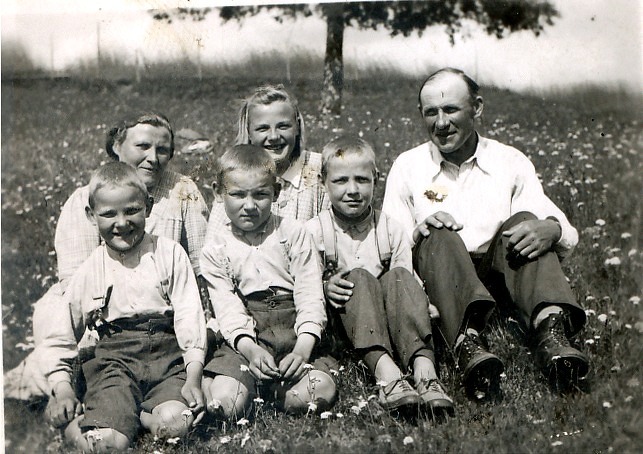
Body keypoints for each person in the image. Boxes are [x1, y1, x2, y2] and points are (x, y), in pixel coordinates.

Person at [382, 68, 589, 399]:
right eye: (431, 112)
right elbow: (390, 246)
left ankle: (552, 334)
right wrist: (419, 232)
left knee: (525, 220)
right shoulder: (408, 166)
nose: (441, 123)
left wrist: (550, 228)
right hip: (441, 278)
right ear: (420, 114)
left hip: (500, 275)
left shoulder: (509, 160)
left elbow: (558, 226)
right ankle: (468, 344)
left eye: (451, 110)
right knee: (437, 230)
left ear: (477, 108)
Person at [4, 113, 210, 411]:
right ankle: (67, 387)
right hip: (103, 319)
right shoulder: (84, 199)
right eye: (142, 146)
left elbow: (200, 266)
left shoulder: (182, 190)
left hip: (167, 312)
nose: (152, 158)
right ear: (117, 146)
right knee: (54, 322)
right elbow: (75, 284)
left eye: (162, 150)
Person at [43, 162, 206, 451]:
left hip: (168, 361)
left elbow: (189, 317)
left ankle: (142, 414)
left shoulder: (169, 253)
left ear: (148, 206)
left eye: (132, 210)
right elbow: (60, 334)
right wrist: (63, 388)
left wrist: (193, 377)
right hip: (114, 364)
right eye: (108, 214)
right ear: (91, 217)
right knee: (106, 445)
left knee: (177, 424)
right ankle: (87, 421)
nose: (121, 223)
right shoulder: (92, 268)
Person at [306, 136, 454, 416]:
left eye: (362, 180)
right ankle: (388, 376)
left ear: (376, 178)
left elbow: (406, 281)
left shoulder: (390, 230)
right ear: (323, 182)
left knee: (398, 275)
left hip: (391, 323)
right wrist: (325, 287)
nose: (352, 190)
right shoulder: (314, 232)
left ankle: (425, 371)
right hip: (344, 328)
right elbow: (306, 288)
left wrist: (423, 301)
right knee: (359, 277)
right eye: (340, 181)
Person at [200, 144, 337, 419]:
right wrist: (249, 349)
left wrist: (302, 348)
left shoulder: (293, 232)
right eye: (237, 195)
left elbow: (310, 293)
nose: (249, 206)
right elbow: (228, 309)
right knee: (226, 403)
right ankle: (239, 385)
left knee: (317, 393)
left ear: (276, 192)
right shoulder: (215, 248)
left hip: (294, 330)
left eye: (260, 195)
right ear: (218, 192)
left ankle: (273, 391)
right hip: (248, 336)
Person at [205, 84, 327, 243]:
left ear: (297, 126)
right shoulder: (234, 172)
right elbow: (214, 241)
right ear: (249, 132)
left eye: (283, 126)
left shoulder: (319, 169)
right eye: (263, 129)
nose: (274, 136)